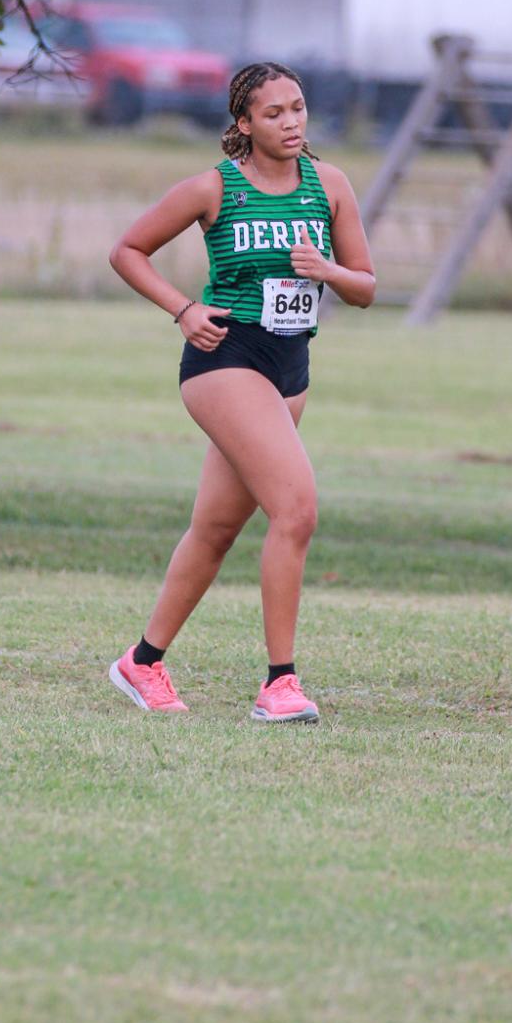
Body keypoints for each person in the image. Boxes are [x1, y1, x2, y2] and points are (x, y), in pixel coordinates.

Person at [108, 61, 375, 722]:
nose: (291, 122)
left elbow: (366, 287)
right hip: (225, 358)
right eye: (274, 113)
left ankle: (141, 661)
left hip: (290, 369)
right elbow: (128, 250)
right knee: (297, 508)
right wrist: (182, 308)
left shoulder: (329, 185)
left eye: (298, 108)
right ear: (243, 124)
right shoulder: (215, 188)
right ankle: (280, 684)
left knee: (218, 527)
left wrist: (328, 269)